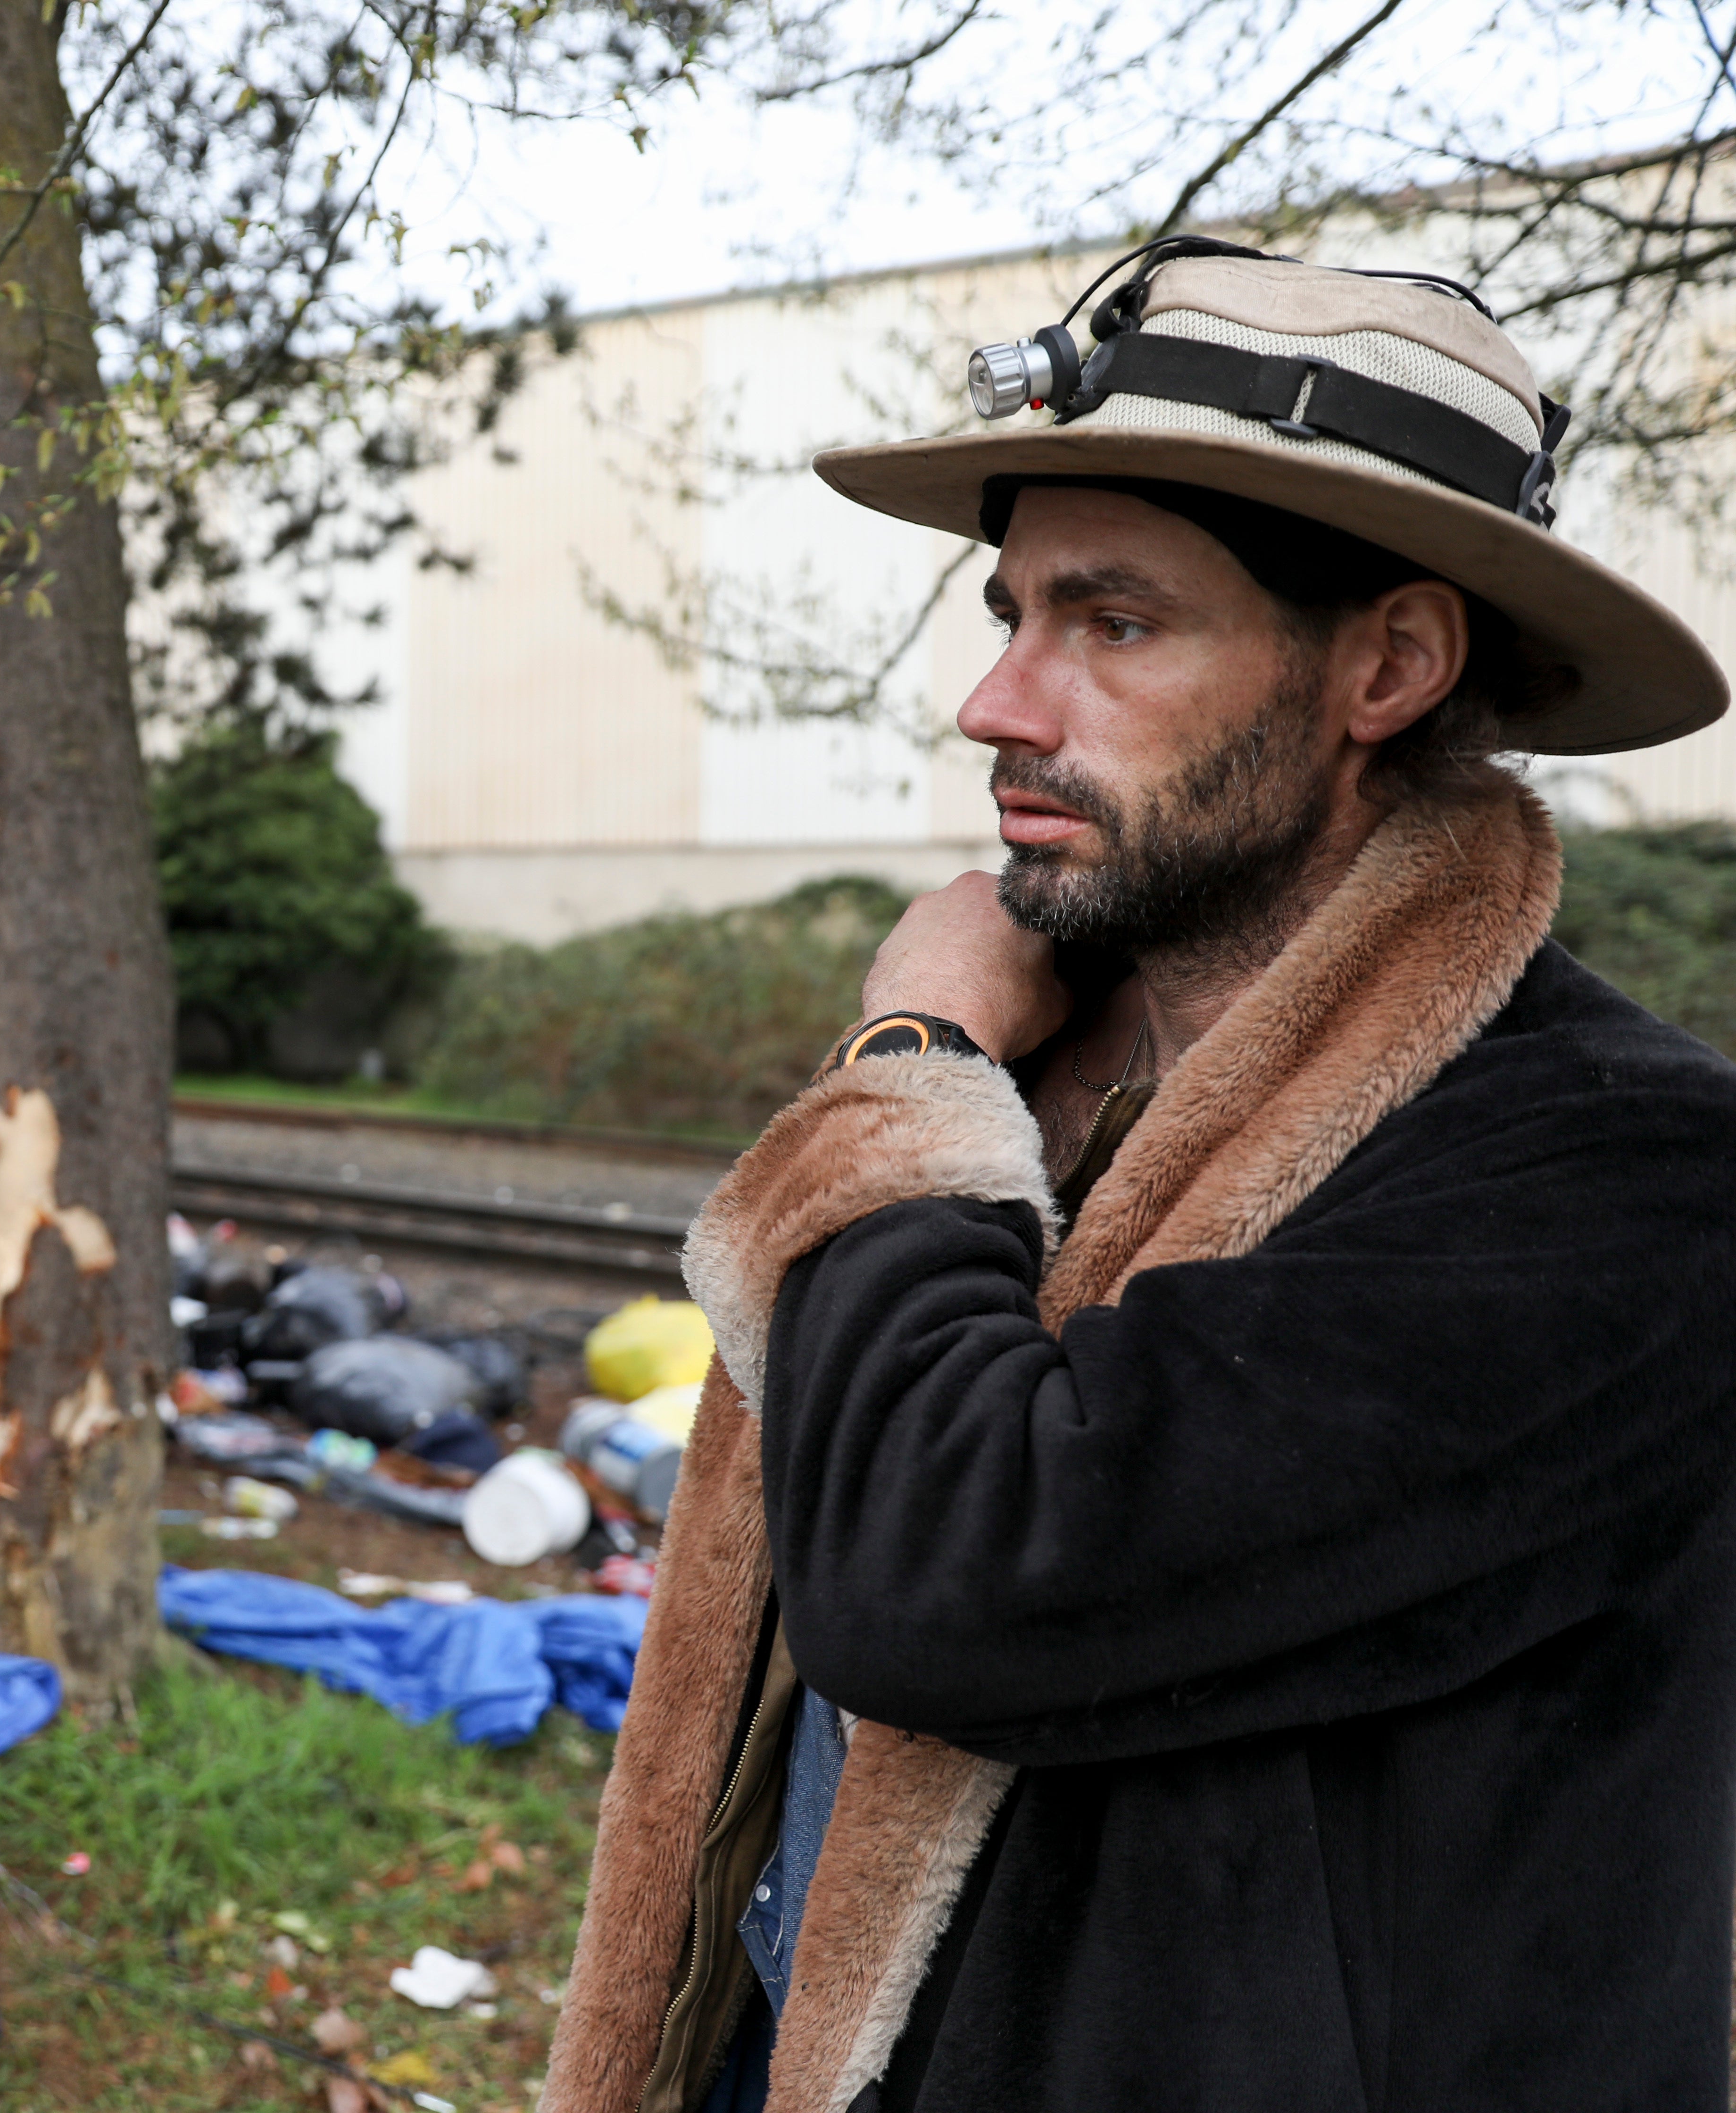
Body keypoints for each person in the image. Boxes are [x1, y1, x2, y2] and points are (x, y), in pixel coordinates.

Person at [544, 239, 1736, 2113]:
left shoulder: (1624, 1174)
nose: (998, 705)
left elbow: (953, 1574)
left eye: (1113, 624)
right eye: (1013, 614)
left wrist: (912, 1064)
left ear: (1389, 666)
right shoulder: (1047, 1085)